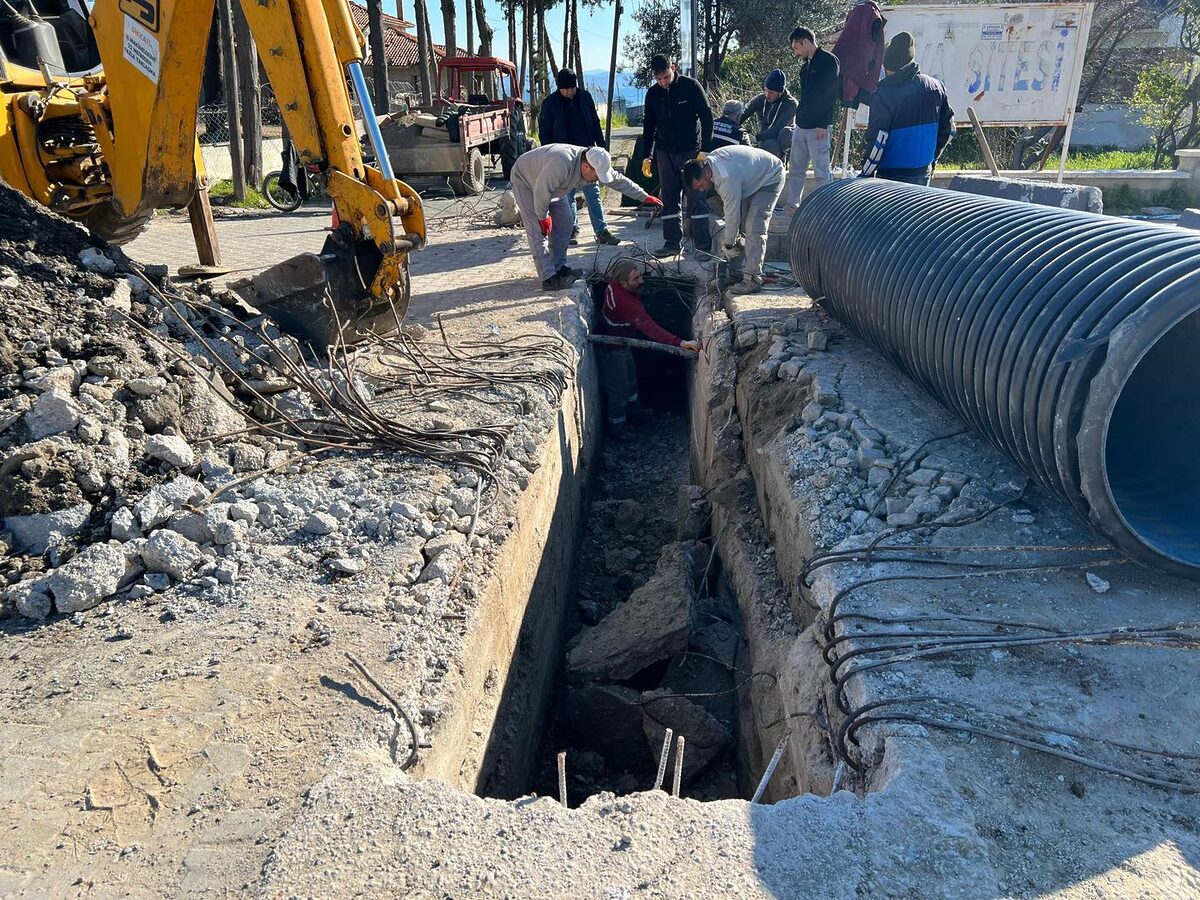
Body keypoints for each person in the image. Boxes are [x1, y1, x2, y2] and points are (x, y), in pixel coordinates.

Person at [510, 144, 662, 291]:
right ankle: (548, 278)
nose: (597, 179)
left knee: (566, 222)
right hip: (526, 182)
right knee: (538, 231)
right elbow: (541, 191)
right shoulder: (561, 163)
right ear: (586, 167)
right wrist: (543, 217)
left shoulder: (594, 161)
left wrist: (644, 196)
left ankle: (559, 268)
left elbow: (618, 181)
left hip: (554, 187)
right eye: (596, 175)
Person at [596, 258, 701, 437]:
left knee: (630, 383)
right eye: (636, 279)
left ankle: (635, 414)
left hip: (622, 343)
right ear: (623, 282)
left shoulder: (613, 286)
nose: (641, 281)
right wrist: (681, 343)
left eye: (640, 276)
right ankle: (618, 428)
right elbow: (651, 329)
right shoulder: (628, 304)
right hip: (611, 349)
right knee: (618, 390)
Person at [682, 146, 785, 298]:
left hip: (770, 177)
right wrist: (730, 242)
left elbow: (731, 215)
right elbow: (734, 219)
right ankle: (736, 275)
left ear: (708, 173)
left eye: (701, 185)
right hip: (751, 179)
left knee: (754, 226)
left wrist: (728, 244)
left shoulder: (725, 179)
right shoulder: (710, 165)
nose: (702, 190)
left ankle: (753, 280)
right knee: (742, 226)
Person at [639, 54, 713, 258]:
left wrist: (705, 149)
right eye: (658, 78)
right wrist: (647, 155)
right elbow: (649, 126)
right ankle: (672, 242)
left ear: (673, 67)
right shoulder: (653, 94)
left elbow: (707, 117)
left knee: (696, 197)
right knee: (669, 199)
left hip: (690, 151)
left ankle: (703, 246)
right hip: (665, 152)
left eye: (666, 76)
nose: (663, 82)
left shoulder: (691, 87)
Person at [538, 69, 621, 246]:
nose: (569, 92)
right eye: (565, 89)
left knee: (593, 194)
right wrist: (549, 157)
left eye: (572, 88)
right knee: (567, 197)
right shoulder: (550, 104)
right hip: (564, 160)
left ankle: (602, 231)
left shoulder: (585, 97)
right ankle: (571, 230)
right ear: (559, 88)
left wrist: (603, 148)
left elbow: (595, 123)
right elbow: (544, 133)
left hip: (588, 156)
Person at [860, 32, 955, 186]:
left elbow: (878, 140)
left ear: (887, 66)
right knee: (919, 211)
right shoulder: (936, 87)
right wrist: (933, 159)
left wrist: (865, 174)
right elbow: (949, 130)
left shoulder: (884, 94)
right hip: (923, 173)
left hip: (891, 177)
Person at [785, 26, 840, 210]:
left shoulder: (828, 61)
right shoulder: (805, 67)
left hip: (819, 126)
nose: (795, 52)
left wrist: (823, 124)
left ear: (805, 42)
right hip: (801, 124)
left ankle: (827, 207)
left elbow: (830, 94)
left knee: (821, 171)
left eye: (796, 47)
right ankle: (793, 205)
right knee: (796, 169)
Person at [740, 69, 798, 159]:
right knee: (763, 143)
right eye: (765, 90)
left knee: (785, 133)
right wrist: (732, 125)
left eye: (771, 92)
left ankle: (786, 158)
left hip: (782, 137)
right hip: (764, 137)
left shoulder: (791, 104)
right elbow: (744, 113)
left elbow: (777, 128)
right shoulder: (759, 99)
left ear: (780, 92)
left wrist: (756, 138)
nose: (767, 95)